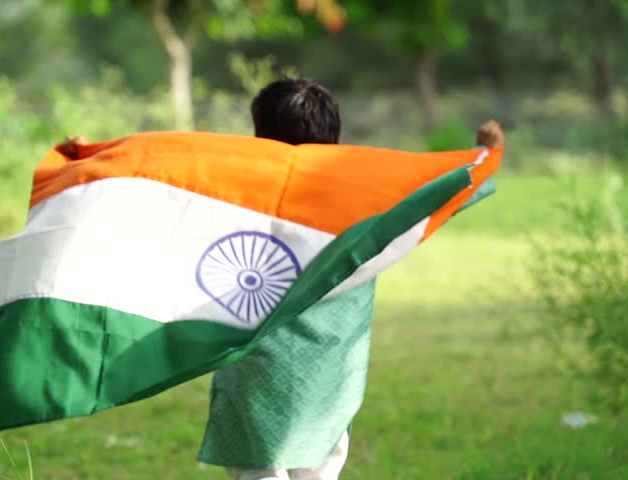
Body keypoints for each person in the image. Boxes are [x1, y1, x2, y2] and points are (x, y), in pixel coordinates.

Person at [58, 78, 505, 480]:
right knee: (320, 466)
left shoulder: (236, 190)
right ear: (334, 135)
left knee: (258, 469)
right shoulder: (366, 194)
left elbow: (157, 184)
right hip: (330, 371)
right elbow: (437, 193)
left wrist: (89, 160)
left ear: (261, 136)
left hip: (255, 366)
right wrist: (484, 156)